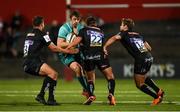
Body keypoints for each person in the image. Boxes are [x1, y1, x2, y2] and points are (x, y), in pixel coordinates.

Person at [103, 18, 164, 105]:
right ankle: (159, 91)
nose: (120, 26)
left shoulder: (124, 33)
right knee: (144, 77)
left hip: (141, 59)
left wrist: (105, 46)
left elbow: (114, 38)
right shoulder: (137, 34)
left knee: (139, 84)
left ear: (125, 27)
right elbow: (149, 48)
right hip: (149, 57)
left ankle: (157, 97)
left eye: (122, 24)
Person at [23, 16, 78, 105]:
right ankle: (43, 96)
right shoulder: (43, 34)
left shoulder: (29, 34)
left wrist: (46, 38)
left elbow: (35, 44)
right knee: (53, 74)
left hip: (27, 63)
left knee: (52, 75)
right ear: (42, 24)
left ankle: (48, 98)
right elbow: (54, 48)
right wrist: (68, 51)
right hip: (33, 62)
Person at [66, 16, 116, 105]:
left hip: (89, 58)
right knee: (110, 77)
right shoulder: (101, 32)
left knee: (90, 79)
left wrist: (67, 48)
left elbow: (76, 42)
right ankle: (111, 94)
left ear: (86, 23)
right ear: (95, 24)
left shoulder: (84, 30)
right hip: (101, 57)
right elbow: (102, 45)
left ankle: (91, 95)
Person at [57, 10, 89, 98]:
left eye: (78, 19)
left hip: (78, 52)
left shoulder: (81, 28)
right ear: (70, 19)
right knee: (77, 68)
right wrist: (73, 43)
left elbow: (84, 42)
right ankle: (88, 91)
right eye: (74, 19)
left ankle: (86, 90)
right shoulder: (64, 28)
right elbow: (59, 44)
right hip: (66, 54)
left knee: (87, 69)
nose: (76, 21)